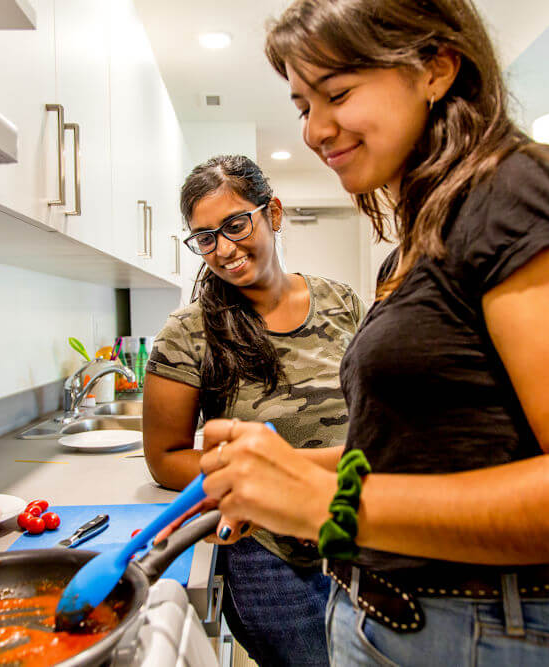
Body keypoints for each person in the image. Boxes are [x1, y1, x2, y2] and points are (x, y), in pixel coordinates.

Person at [189, 1, 549, 665]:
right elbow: (429, 450)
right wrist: (283, 473)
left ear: (437, 68)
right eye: (304, 104)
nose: (314, 130)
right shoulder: (418, 244)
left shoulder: (534, 195)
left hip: (483, 632)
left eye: (336, 93)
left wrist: (325, 500)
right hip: (384, 616)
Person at [142, 154, 365, 666]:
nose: (223, 249)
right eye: (205, 237)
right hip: (271, 556)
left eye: (235, 224)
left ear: (275, 213)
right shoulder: (188, 331)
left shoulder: (342, 302)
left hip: (355, 534)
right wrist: (257, 482)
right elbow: (166, 458)